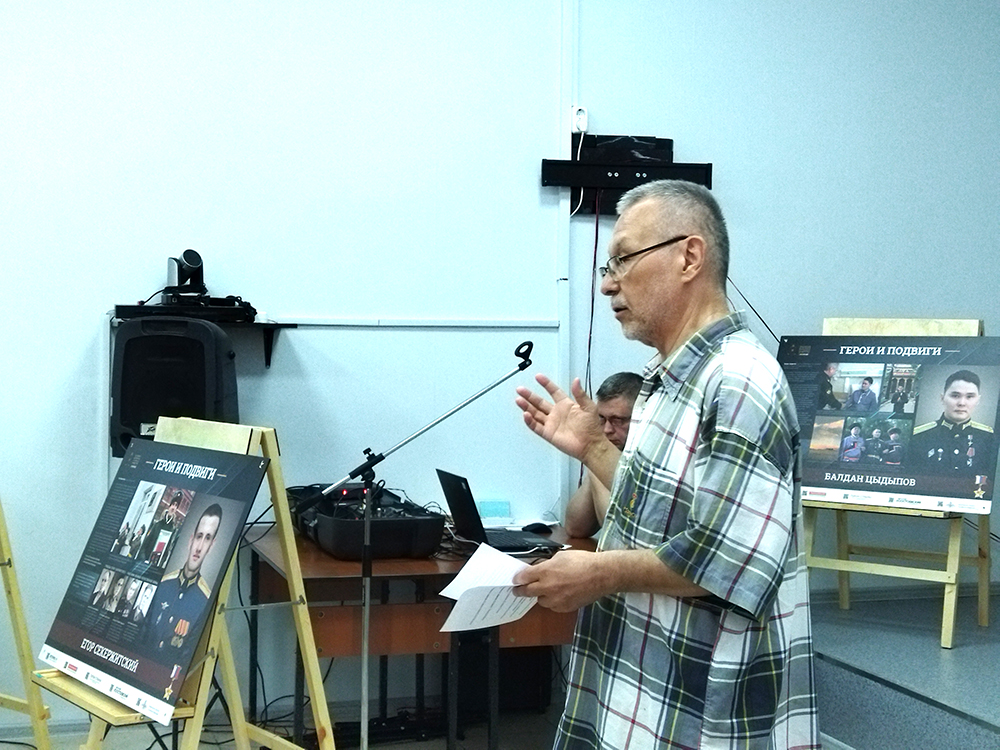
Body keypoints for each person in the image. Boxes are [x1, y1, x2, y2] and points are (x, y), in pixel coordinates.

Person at [512, 180, 817, 748]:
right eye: (608, 265)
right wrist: (595, 448)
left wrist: (599, 573)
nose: (607, 283)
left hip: (701, 703)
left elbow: (723, 563)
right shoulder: (664, 378)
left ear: (689, 257)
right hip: (643, 687)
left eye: (623, 258)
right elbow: (666, 513)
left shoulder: (739, 381)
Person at [563, 372, 642, 538]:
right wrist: (594, 459)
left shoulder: (649, 458)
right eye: (601, 419)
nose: (606, 430)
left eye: (617, 420)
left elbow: (615, 532)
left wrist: (595, 454)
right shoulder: (612, 447)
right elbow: (575, 528)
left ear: (641, 417)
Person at [145, 504, 222, 662]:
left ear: (211, 545)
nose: (199, 547)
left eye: (207, 538)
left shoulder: (205, 600)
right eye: (199, 536)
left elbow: (189, 655)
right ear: (191, 540)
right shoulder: (163, 584)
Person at [911, 370, 995, 475]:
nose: (962, 403)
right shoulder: (919, 436)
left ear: (978, 400)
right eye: (955, 396)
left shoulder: (989, 438)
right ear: (942, 398)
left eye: (969, 397)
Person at [139, 491, 183, 565]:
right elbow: (144, 545)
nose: (173, 507)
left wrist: (160, 564)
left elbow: (167, 550)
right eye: (173, 504)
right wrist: (143, 559)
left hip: (156, 564)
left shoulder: (173, 529)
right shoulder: (157, 525)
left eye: (176, 506)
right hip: (145, 560)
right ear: (169, 506)